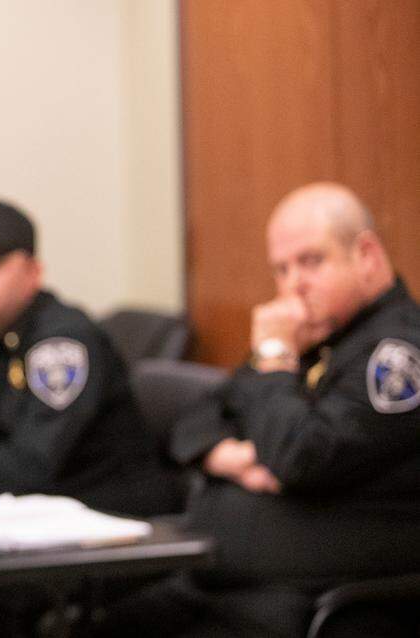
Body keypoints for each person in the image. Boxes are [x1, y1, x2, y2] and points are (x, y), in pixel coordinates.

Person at [103, 182, 420, 637]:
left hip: (308, 602)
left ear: (366, 254)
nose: (294, 286)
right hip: (218, 583)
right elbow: (194, 421)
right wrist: (233, 459)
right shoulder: (313, 341)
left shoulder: (398, 357)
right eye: (281, 269)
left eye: (311, 261)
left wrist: (274, 358)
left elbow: (301, 457)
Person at [0, 200, 182, 516]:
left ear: (34, 272)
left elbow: (32, 464)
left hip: (112, 525)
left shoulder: (62, 346)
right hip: (34, 516)